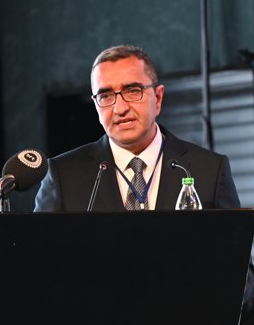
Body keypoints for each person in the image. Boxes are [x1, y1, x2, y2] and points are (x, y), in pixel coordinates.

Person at [34, 44, 241, 213]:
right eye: (105, 96)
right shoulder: (63, 176)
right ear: (96, 104)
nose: (120, 108)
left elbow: (236, 253)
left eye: (133, 91)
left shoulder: (210, 171)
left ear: (158, 98)